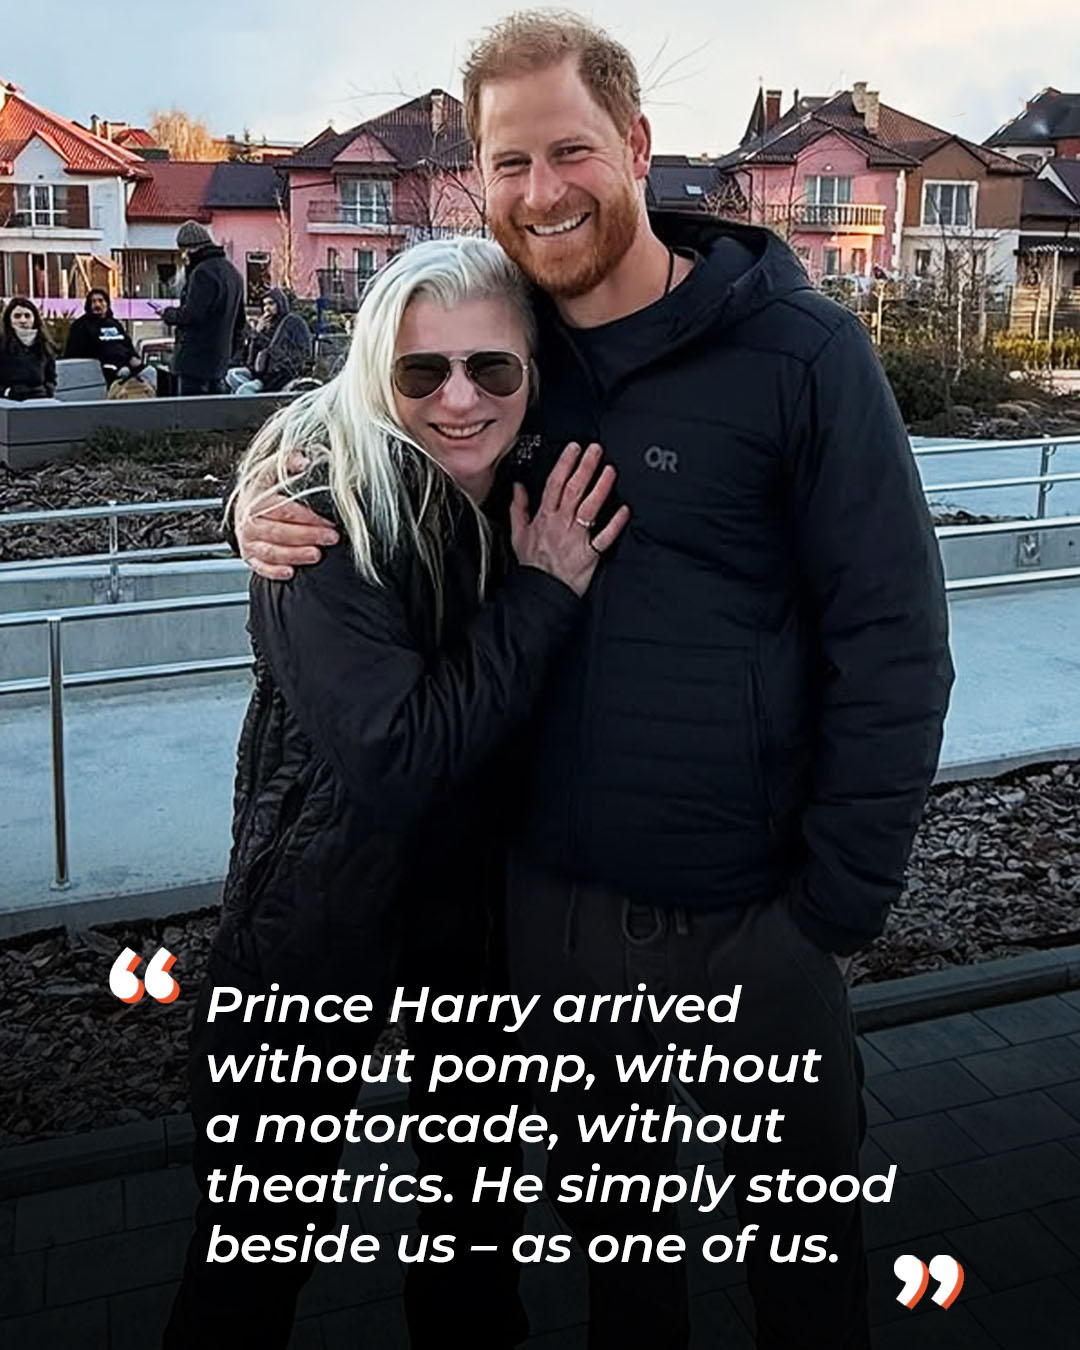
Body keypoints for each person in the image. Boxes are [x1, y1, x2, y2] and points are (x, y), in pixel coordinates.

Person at [236, 12, 954, 1348]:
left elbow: (894, 637)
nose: (542, 190)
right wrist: (254, 508)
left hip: (757, 917)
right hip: (556, 916)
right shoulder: (512, 350)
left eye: (569, 150)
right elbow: (363, 419)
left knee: (805, 1269)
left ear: (634, 143)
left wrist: (837, 899)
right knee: (626, 1277)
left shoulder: (802, 357)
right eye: (509, 163)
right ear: (479, 178)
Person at [163, 235, 629, 1350]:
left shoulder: (533, 478)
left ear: (532, 370)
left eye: (491, 367)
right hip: (316, 920)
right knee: (255, 1250)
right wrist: (541, 597)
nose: (460, 399)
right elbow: (399, 756)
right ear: (379, 371)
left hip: (475, 927)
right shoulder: (320, 514)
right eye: (423, 371)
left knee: (475, 1239)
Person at [160, 220, 245, 396]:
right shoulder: (233, 273)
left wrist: (167, 314)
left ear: (190, 249)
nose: (183, 257)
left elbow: (192, 315)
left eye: (183, 251)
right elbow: (240, 320)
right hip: (220, 361)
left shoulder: (202, 273)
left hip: (195, 361)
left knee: (191, 410)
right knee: (214, 410)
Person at [65, 288, 156, 392]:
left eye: (100, 301)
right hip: (105, 367)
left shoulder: (115, 324)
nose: (97, 304)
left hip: (126, 362)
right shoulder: (81, 325)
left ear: (107, 304)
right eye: (93, 301)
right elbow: (81, 351)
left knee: (150, 372)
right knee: (124, 373)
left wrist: (133, 357)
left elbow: (127, 344)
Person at [226, 287, 313, 394]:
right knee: (232, 375)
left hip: (278, 375)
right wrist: (256, 333)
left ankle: (256, 396)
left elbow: (278, 352)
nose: (267, 308)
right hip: (261, 371)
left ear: (280, 304)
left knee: (244, 390)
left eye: (271, 304)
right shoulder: (267, 325)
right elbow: (251, 358)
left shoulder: (292, 322)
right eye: (264, 305)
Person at [0, 296, 56, 400]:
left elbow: (51, 376)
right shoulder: (2, 344)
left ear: (34, 319)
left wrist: (48, 390)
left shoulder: (44, 345)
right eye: (17, 316)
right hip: (10, 402)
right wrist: (6, 392)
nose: (23, 320)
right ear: (9, 320)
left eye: (27, 316)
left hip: (40, 399)